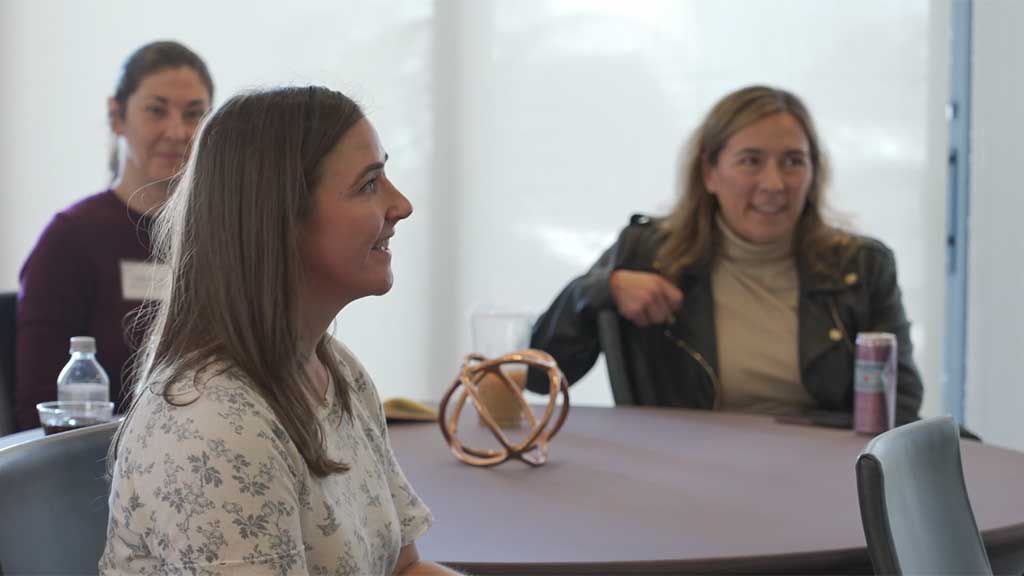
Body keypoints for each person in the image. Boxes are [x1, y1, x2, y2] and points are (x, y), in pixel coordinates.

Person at [100, 86, 457, 576]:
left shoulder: (336, 370)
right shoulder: (211, 425)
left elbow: (402, 569)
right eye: (369, 184)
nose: (402, 205)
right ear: (282, 219)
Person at [528, 85, 923, 425]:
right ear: (710, 173)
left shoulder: (862, 266)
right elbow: (536, 376)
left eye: (792, 162)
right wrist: (600, 290)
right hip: (682, 480)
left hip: (824, 478)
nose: (774, 183)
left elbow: (900, 406)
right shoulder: (647, 253)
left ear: (813, 174)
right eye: (751, 161)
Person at [14, 40, 214, 430]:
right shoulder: (71, 239)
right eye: (157, 111)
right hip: (93, 471)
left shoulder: (217, 239)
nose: (177, 131)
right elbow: (35, 411)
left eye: (193, 114)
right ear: (117, 116)